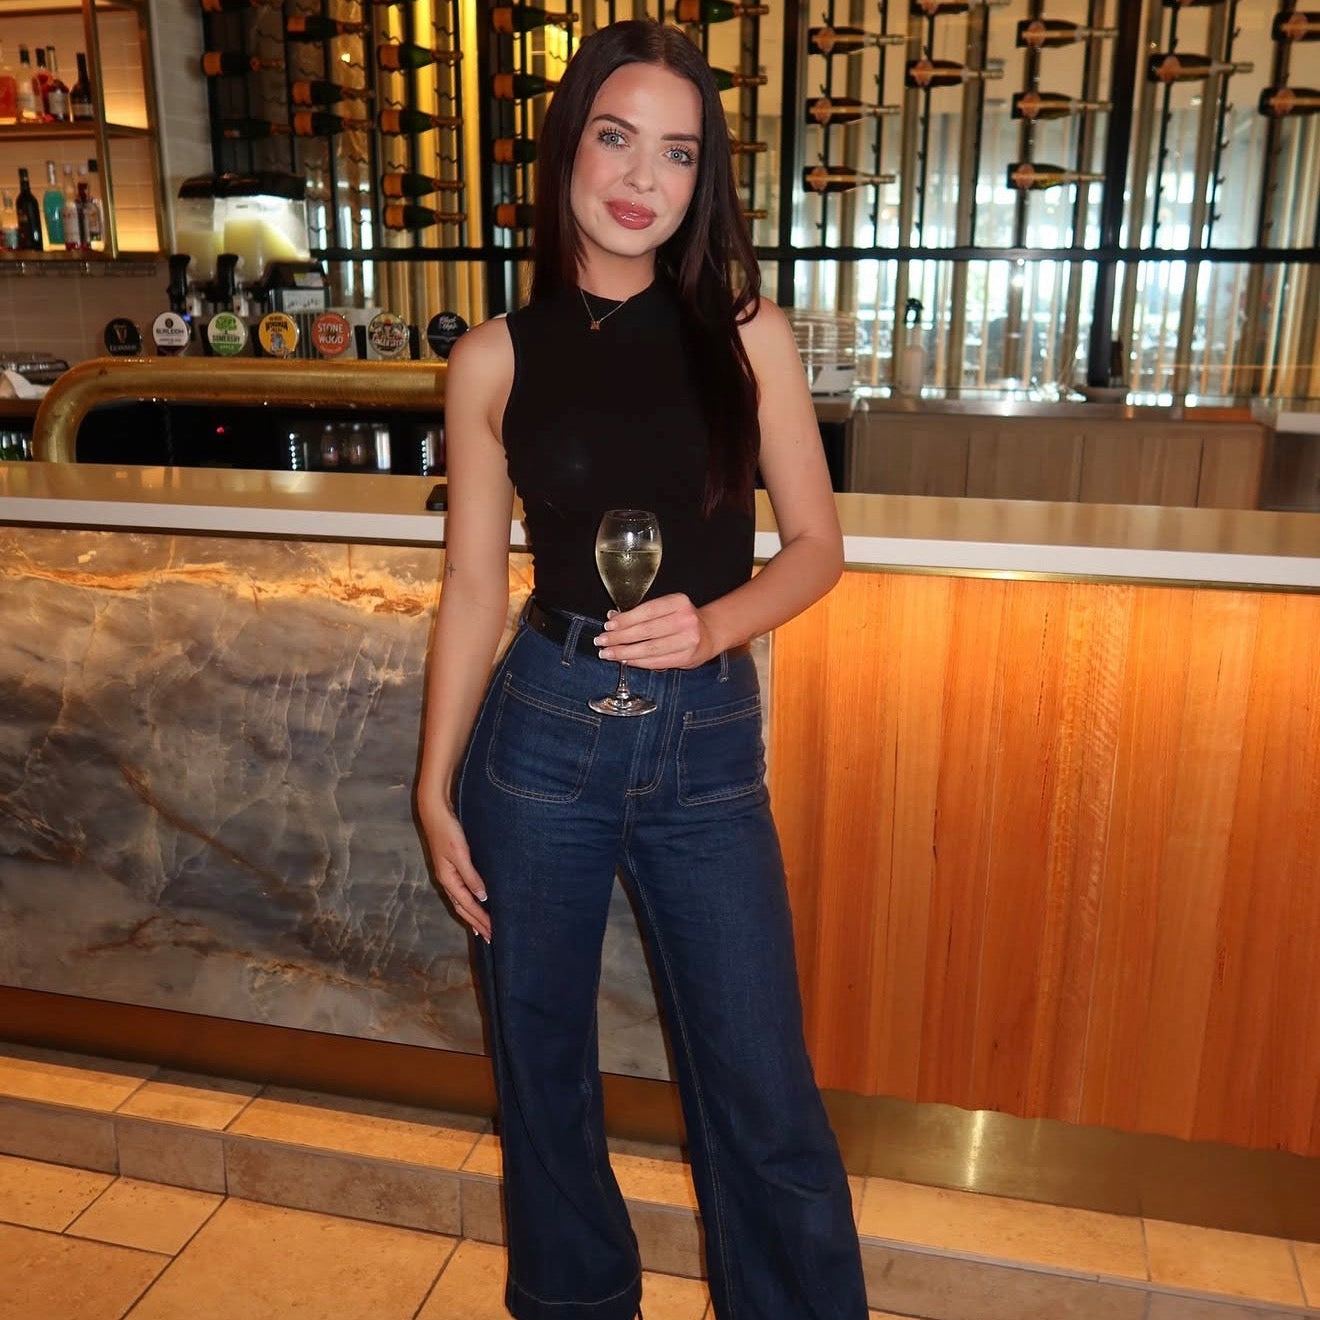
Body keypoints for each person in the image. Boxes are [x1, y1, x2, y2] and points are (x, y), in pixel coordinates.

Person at [416, 19, 867, 1320]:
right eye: (617, 136)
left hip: (707, 746)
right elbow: (472, 587)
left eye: (676, 153)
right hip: (540, 738)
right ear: (570, 148)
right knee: (542, 1080)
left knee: (761, 1090)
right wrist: (435, 785)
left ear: (700, 181)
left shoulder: (747, 332)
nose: (640, 176)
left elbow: (820, 547)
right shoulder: (493, 358)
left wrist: (717, 623)